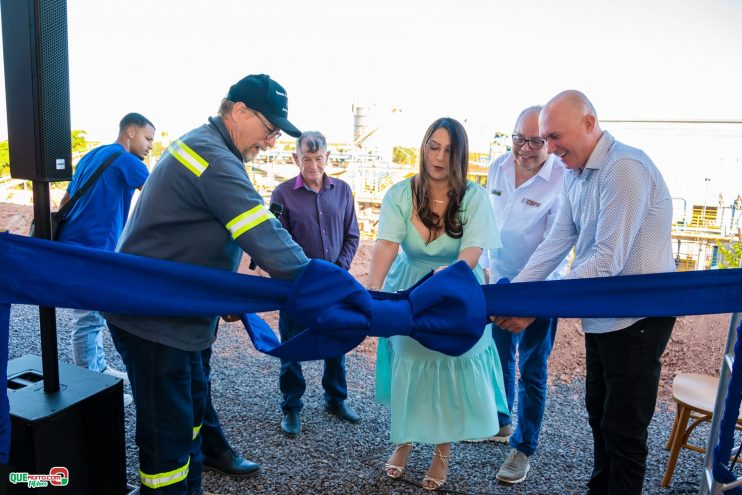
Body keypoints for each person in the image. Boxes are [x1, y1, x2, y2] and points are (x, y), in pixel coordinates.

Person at [103, 74, 309, 495]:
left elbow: (189, 237)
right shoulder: (212, 156)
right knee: (169, 443)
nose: (271, 142)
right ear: (237, 112)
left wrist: (221, 290)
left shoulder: (206, 146)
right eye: (269, 129)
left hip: (177, 313)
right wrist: (324, 285)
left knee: (191, 411)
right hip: (157, 321)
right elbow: (265, 236)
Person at [492, 90, 676, 495]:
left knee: (624, 430)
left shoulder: (624, 168)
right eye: (545, 138)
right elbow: (553, 247)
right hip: (602, 314)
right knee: (599, 417)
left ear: (589, 124)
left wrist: (537, 308)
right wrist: (515, 298)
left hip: (638, 318)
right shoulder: (576, 176)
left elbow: (607, 260)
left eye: (555, 137)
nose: (550, 148)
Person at [367, 117, 509, 491]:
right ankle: (403, 441)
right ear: (423, 147)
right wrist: (373, 293)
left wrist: (445, 282)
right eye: (434, 146)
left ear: (459, 155)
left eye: (448, 150)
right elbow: (385, 245)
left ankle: (441, 452)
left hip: (455, 291)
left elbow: (471, 254)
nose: (439, 156)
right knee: (410, 367)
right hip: (409, 290)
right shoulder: (400, 193)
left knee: (449, 368)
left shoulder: (474, 197)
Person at [478, 106, 567, 484]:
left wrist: (532, 303)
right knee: (497, 357)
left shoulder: (563, 178)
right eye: (518, 138)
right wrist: (484, 267)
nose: (525, 149)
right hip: (498, 281)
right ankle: (500, 421)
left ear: (548, 141)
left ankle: (523, 447)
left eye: (535, 141)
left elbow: (558, 245)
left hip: (540, 287)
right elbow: (486, 218)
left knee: (532, 368)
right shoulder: (498, 166)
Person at [58, 112, 154, 407]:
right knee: (88, 316)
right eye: (147, 138)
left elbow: (66, 198)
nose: (150, 146)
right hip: (95, 246)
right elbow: (160, 192)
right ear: (130, 131)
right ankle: (90, 385)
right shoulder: (126, 161)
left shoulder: (93, 155)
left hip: (77, 242)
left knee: (93, 312)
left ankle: (97, 367)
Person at [270, 131, 361, 437]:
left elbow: (352, 236)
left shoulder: (343, 191)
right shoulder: (281, 194)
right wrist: (304, 275)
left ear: (328, 158)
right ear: (296, 158)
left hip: (335, 286)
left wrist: (337, 271)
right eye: (306, 159)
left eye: (318, 158)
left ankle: (336, 399)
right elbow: (277, 241)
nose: (313, 165)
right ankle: (292, 406)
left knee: (337, 342)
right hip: (298, 286)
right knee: (291, 347)